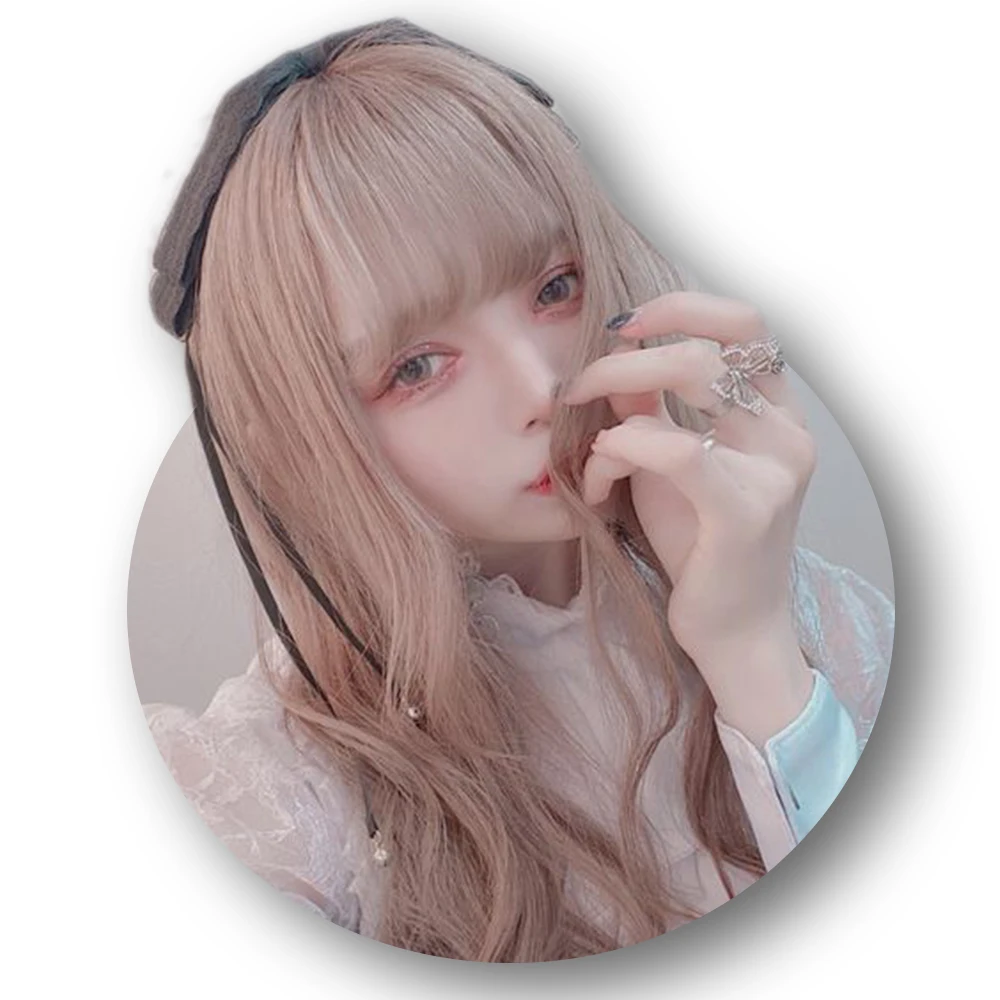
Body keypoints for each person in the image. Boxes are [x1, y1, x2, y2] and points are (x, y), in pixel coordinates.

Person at [140, 17, 894, 962]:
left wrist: (750, 651)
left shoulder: (818, 623)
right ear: (307, 432)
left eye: (556, 286)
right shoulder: (269, 788)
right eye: (417, 366)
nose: (542, 387)